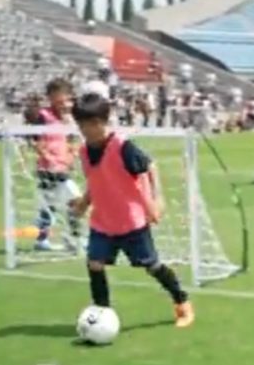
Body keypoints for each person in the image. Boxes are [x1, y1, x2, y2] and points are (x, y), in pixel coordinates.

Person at [68, 93, 195, 328]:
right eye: (81, 125)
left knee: (152, 266)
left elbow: (149, 166)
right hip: (102, 223)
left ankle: (182, 302)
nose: (85, 130)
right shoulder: (84, 152)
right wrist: (83, 204)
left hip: (131, 223)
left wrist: (157, 200)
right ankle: (101, 314)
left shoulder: (122, 147)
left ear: (102, 122)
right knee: (94, 263)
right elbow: (95, 181)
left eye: (90, 124)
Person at [30, 78, 83, 251]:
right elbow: (35, 141)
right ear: (50, 98)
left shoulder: (69, 118)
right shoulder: (43, 116)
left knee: (74, 201)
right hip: (47, 169)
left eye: (64, 100)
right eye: (57, 100)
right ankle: (44, 239)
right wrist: (48, 158)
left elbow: (73, 139)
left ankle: (71, 238)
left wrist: (72, 154)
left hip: (63, 168)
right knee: (50, 204)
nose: (61, 104)